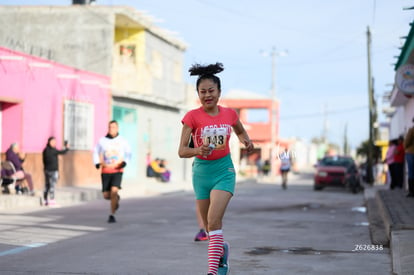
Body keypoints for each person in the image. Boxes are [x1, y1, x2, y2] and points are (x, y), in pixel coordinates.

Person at [178, 63, 254, 275]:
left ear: (219, 92)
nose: (207, 95)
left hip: (224, 172)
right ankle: (222, 252)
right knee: (210, 227)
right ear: (198, 95)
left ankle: (213, 270)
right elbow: (182, 151)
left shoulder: (229, 114)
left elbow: (240, 132)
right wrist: (197, 150)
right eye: (203, 92)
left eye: (211, 91)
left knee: (213, 220)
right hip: (201, 174)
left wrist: (247, 142)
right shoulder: (192, 117)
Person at [94, 120, 131, 223]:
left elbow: (128, 153)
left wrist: (125, 162)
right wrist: (96, 162)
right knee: (106, 195)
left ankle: (112, 214)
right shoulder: (102, 140)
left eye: (114, 127)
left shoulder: (122, 141)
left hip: (117, 170)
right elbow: (96, 151)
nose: (111, 129)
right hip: (105, 170)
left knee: (114, 191)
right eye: (110, 127)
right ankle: (116, 199)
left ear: (117, 128)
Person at [42, 137, 69, 206]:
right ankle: (51, 200)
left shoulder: (46, 150)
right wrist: (67, 148)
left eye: (55, 142)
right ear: (49, 142)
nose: (54, 143)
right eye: (53, 142)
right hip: (52, 171)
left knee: (48, 185)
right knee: (52, 185)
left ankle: (45, 200)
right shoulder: (52, 150)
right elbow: (62, 152)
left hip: (47, 170)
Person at [404, 117, 414, 197]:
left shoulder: (411, 130)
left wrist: (405, 147)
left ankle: (411, 191)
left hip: (411, 153)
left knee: (411, 172)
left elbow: (406, 142)